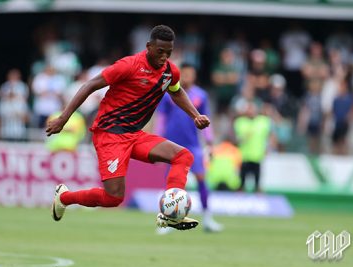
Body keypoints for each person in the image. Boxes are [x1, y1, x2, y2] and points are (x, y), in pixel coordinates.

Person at [46, 25, 210, 231]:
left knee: (183, 156)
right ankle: (64, 197)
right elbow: (90, 85)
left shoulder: (169, 71)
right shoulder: (129, 66)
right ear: (149, 46)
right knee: (113, 197)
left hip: (134, 135)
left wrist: (195, 115)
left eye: (169, 53)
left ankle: (170, 212)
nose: (164, 57)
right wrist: (64, 118)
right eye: (160, 51)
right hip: (110, 134)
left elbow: (176, 92)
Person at [155, 63, 223, 232]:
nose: (186, 77)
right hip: (172, 146)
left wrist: (209, 142)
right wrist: (157, 141)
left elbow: (206, 120)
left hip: (193, 145)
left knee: (201, 179)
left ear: (194, 76)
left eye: (190, 74)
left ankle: (207, 218)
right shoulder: (168, 95)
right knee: (172, 184)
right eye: (184, 74)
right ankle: (169, 221)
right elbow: (161, 119)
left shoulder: (201, 95)